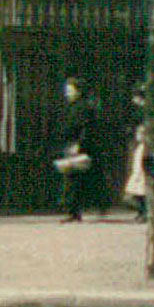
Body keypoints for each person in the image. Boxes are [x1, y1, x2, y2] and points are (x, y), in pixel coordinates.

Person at [54, 77, 104, 222]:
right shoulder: (71, 106)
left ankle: (75, 210)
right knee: (71, 177)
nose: (67, 93)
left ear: (79, 91)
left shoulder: (83, 107)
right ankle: (73, 209)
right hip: (71, 144)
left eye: (70, 90)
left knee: (75, 178)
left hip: (78, 145)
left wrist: (79, 144)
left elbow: (85, 128)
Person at [125, 112, 154, 218]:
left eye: (141, 133)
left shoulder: (146, 147)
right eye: (138, 133)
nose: (138, 136)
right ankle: (141, 212)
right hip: (137, 174)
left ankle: (143, 212)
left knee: (141, 195)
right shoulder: (138, 147)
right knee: (134, 195)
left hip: (142, 175)